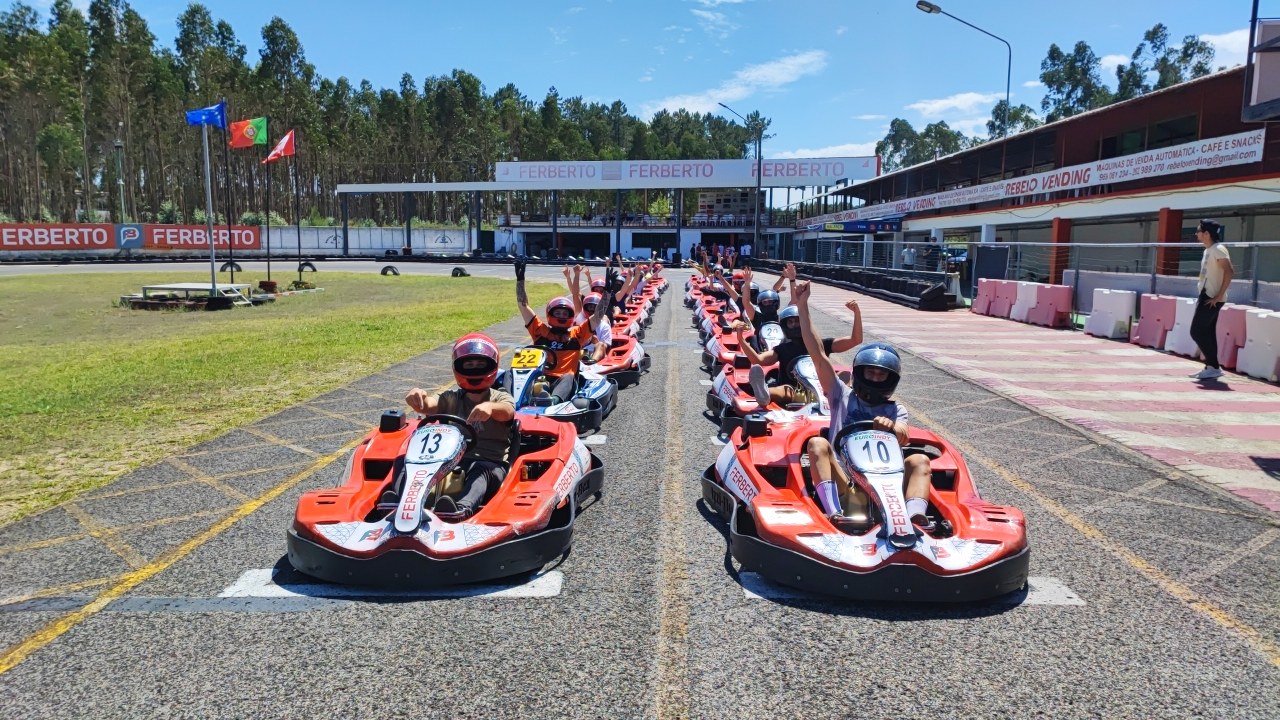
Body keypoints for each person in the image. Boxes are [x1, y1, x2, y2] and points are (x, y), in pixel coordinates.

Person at [792, 281, 933, 534]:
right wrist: (802, 306)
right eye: (871, 373)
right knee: (817, 444)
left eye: (881, 375)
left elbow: (903, 434)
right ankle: (834, 512)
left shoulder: (896, 410)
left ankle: (915, 517)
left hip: (888, 485)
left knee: (920, 459)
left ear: (890, 379)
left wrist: (891, 428)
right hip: (846, 480)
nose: (875, 379)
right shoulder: (840, 395)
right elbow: (817, 353)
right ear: (859, 373)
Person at [402, 334, 517, 519]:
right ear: (458, 367)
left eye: (480, 364)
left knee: (481, 470)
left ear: (492, 366)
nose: (475, 369)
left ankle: (460, 510)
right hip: (449, 460)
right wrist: (418, 398)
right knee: (406, 461)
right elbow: (429, 405)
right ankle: (400, 502)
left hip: (491, 463)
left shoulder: (499, 397)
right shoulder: (451, 397)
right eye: (469, 365)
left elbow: (508, 411)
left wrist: (490, 408)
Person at [735, 267, 863, 407]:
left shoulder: (820, 345)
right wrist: (741, 340)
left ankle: (848, 399)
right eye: (791, 322)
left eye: (797, 321)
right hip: (795, 395)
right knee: (785, 390)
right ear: (785, 326)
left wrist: (857, 314)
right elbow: (758, 360)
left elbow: (855, 340)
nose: (795, 325)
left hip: (823, 391)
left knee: (846, 374)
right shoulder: (783, 349)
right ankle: (764, 393)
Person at [515, 259, 610, 403]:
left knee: (568, 376)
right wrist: (520, 281)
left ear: (570, 317)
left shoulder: (577, 334)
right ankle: (513, 400)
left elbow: (597, 316)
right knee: (510, 374)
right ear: (550, 314)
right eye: (557, 313)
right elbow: (523, 305)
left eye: (565, 314)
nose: (561, 317)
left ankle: (553, 400)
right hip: (540, 378)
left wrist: (607, 294)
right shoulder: (540, 330)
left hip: (564, 381)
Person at [1190, 219, 1235, 381]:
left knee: (1196, 331)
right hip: (1206, 295)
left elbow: (1229, 271)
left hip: (1212, 297)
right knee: (1207, 332)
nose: (1196, 234)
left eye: (1198, 231)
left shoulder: (1218, 249)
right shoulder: (1208, 250)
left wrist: (1218, 296)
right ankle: (1212, 367)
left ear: (1207, 234)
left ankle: (1214, 366)